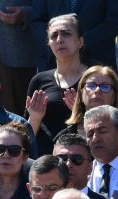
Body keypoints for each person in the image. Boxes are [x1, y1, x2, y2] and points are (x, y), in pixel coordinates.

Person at [25, 13, 87, 156]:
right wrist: (35, 117)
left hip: (80, 160)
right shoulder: (39, 80)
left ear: (80, 41)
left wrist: (80, 114)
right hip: (44, 160)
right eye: (54, 36)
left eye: (66, 34)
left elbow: (106, 125)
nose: (59, 40)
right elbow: (26, 135)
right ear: (49, 44)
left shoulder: (93, 79)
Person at [61, 66, 118, 161]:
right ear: (81, 93)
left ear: (114, 96)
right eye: (91, 85)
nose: (97, 90)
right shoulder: (65, 136)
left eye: (105, 86)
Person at [30, 0, 118, 71]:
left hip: (96, 66)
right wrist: (54, 44)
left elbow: (113, 22)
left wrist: (78, 44)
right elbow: (37, 21)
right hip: (53, 65)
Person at [0, 121, 34, 199]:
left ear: (25, 157)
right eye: (0, 149)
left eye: (14, 150)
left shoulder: (34, 193)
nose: (6, 155)